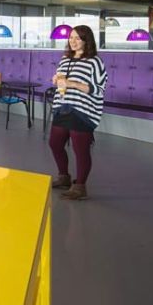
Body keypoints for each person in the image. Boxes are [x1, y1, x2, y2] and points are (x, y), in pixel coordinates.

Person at [48, 25, 107, 200]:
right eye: (71, 37)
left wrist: (73, 84)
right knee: (54, 143)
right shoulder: (64, 59)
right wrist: (56, 80)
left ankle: (80, 186)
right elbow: (60, 80)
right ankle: (64, 177)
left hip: (82, 110)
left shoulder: (94, 61)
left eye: (77, 38)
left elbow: (99, 89)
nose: (72, 41)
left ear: (86, 41)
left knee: (80, 150)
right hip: (62, 107)